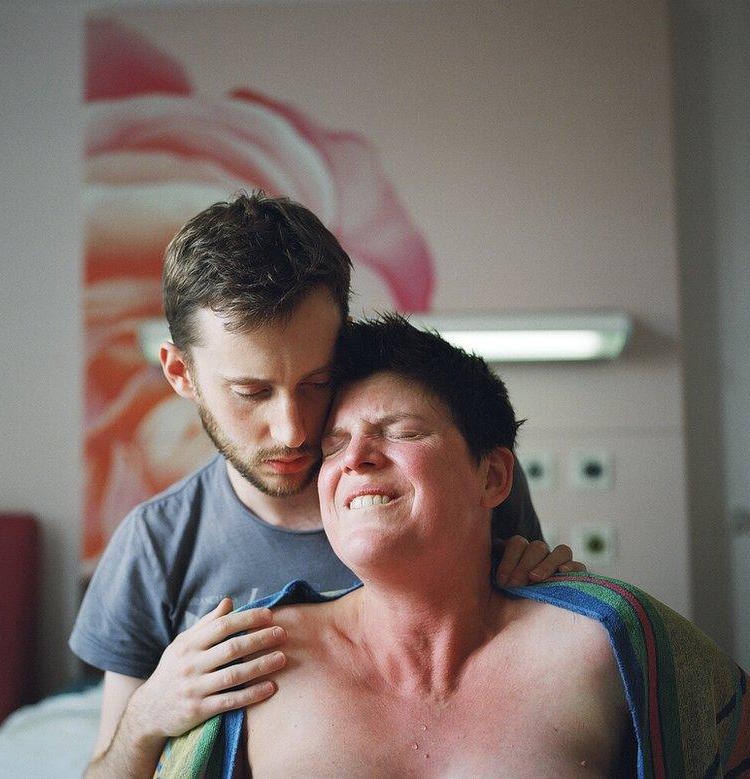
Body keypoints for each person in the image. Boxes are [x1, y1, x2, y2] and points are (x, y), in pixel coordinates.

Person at [72, 194, 583, 777]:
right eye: (253, 393)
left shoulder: (453, 492)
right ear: (181, 374)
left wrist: (553, 592)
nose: (293, 431)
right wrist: (145, 718)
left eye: (317, 381)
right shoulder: (155, 545)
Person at [156, 315, 749, 777]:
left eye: (403, 432)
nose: (357, 457)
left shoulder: (612, 639)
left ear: (492, 478)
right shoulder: (249, 666)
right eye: (334, 445)